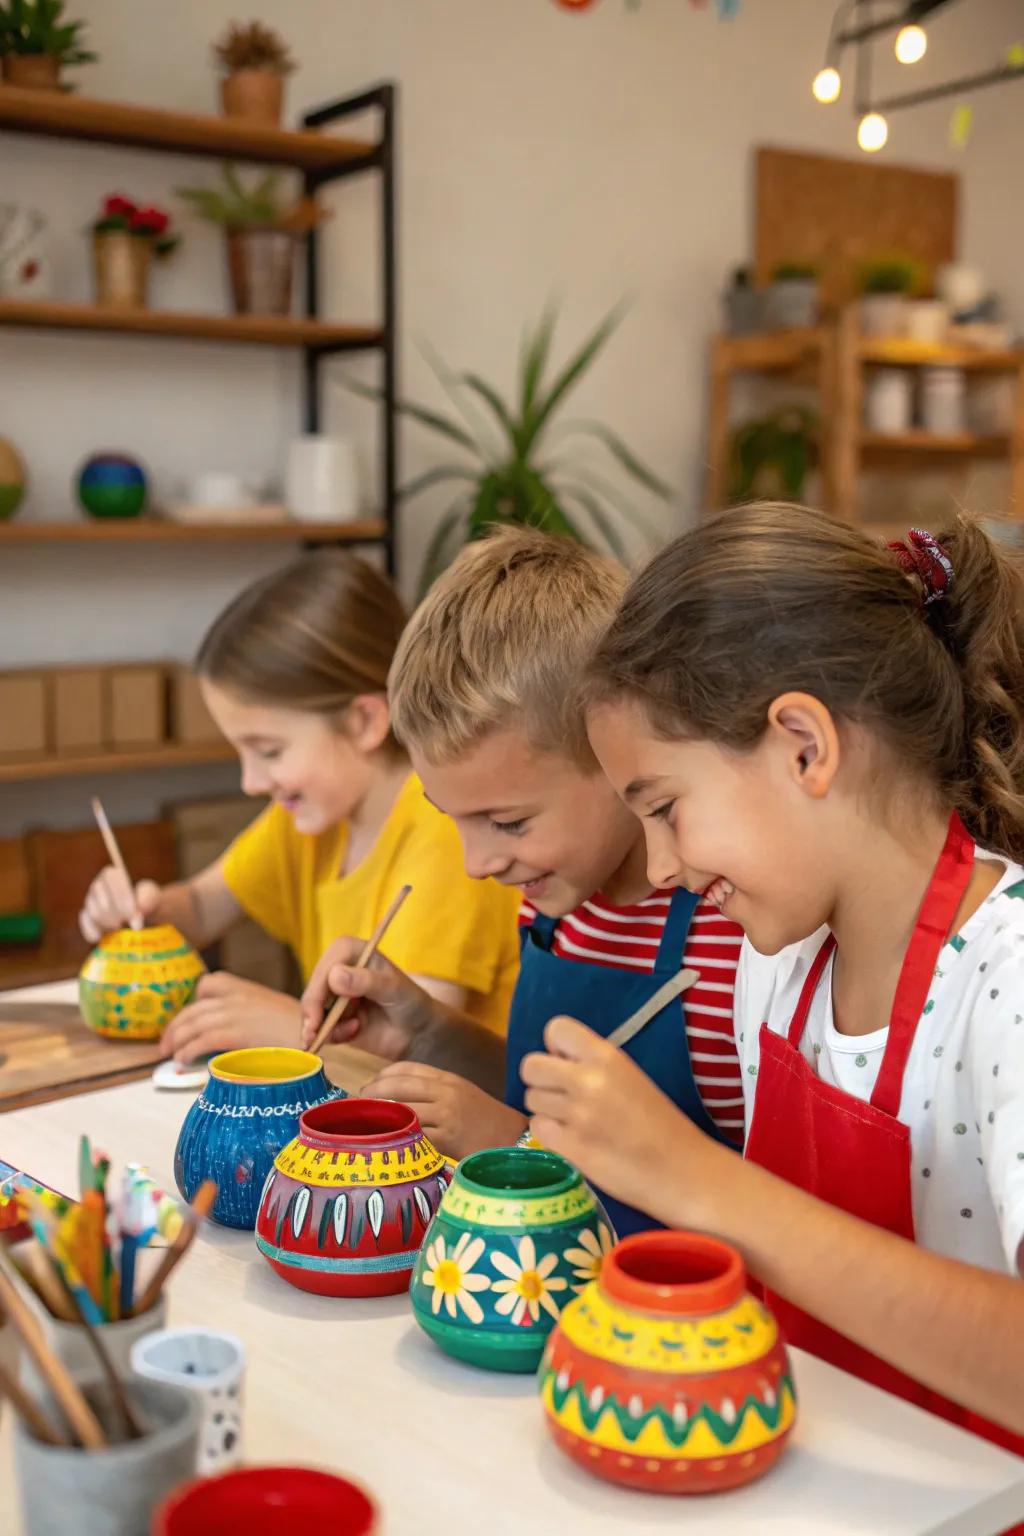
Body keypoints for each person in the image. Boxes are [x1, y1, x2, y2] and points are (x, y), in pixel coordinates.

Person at [521, 502, 1024, 1450]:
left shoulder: (1008, 978)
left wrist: (704, 1183)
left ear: (805, 744)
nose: (661, 867)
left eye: (665, 806)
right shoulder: (779, 970)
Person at [302, 527, 745, 1236]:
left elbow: (748, 1220)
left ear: (617, 756)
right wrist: (424, 1032)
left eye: (507, 824)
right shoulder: (558, 900)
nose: (479, 864)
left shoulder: (732, 935)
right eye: (454, 819)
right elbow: (541, 1089)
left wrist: (514, 1149)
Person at [79, 550, 520, 1062]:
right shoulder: (312, 819)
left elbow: (406, 1050)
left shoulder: (445, 834)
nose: (250, 781)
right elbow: (200, 909)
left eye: (269, 751)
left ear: (362, 722)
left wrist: (285, 1025)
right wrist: (145, 913)